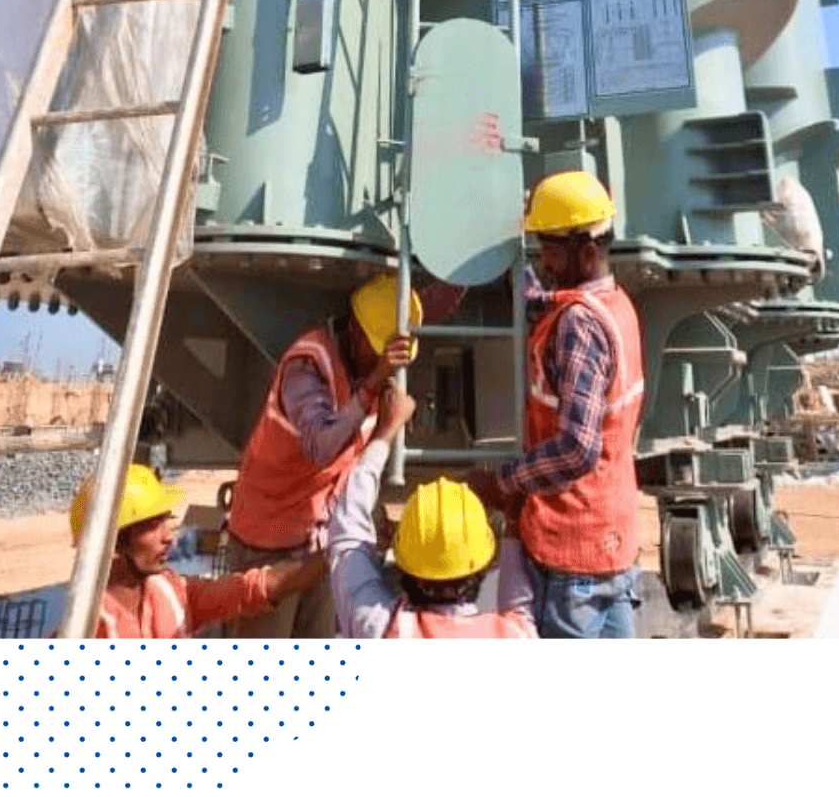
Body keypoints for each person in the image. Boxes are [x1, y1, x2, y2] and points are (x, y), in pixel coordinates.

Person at [223, 273, 460, 638]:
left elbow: (351, 461)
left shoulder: (375, 372)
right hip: (268, 544)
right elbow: (321, 447)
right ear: (354, 330)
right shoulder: (309, 364)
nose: (384, 362)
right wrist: (375, 390)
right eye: (377, 351)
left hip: (319, 544)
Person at [467, 170, 645, 638]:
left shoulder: (578, 326)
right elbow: (542, 304)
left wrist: (503, 482)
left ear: (586, 250)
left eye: (549, 248)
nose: (542, 259)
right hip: (614, 541)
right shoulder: (617, 306)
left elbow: (576, 449)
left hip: (572, 552)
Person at [327, 385, 536, 638]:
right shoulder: (516, 636)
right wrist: (512, 526)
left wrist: (384, 434)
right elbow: (520, 608)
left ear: (402, 565)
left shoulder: (381, 627)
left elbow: (347, 532)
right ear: (484, 566)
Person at [69, 464, 326, 639]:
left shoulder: (169, 591)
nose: (168, 536)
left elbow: (247, 589)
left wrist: (328, 555)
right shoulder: (83, 626)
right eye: (151, 526)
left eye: (166, 522)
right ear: (113, 543)